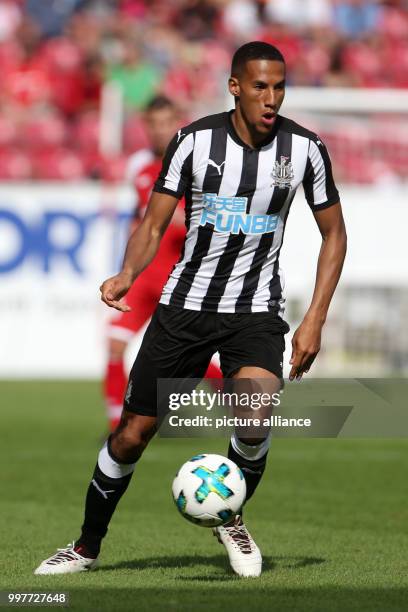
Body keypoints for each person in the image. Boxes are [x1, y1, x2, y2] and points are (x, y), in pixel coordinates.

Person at [34, 41, 347, 578]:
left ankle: (231, 515)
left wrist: (314, 318)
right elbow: (154, 224)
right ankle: (87, 545)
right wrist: (128, 274)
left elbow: (333, 233)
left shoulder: (306, 149)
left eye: (279, 87)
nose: (270, 98)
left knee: (254, 415)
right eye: (258, 87)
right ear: (234, 87)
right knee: (132, 433)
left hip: (255, 309)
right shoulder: (193, 142)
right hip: (185, 307)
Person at [105, 95, 222, 431]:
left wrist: (176, 218)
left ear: (179, 122)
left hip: (180, 276)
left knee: (192, 358)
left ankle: (242, 408)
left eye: (166, 122)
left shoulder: (197, 164)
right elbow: (136, 218)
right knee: (114, 344)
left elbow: (207, 219)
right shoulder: (138, 166)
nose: (159, 131)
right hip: (144, 276)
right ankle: (117, 428)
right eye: (153, 124)